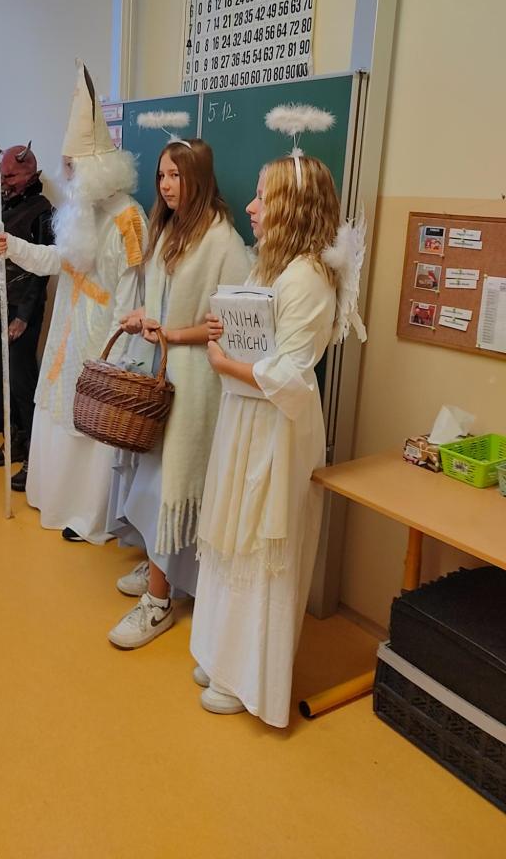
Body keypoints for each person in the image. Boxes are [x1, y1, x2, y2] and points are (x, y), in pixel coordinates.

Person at [191, 145, 366, 725]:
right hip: (247, 417)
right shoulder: (272, 267)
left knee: (262, 539)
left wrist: (225, 363)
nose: (251, 206)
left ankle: (249, 678)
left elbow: (290, 374)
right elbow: (255, 335)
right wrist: (222, 328)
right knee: (233, 531)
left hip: (275, 427)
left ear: (291, 206)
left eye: (263, 197)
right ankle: (221, 653)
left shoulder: (308, 277)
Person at [0, 60, 146, 542]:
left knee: (92, 422)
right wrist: (13, 247)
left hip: (101, 338)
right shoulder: (82, 211)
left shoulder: (128, 218)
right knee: (58, 410)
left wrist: (115, 355)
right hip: (68, 327)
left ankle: (88, 515)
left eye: (73, 166)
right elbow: (58, 260)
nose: (66, 173)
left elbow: (132, 293)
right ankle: (53, 498)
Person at [106, 137, 249, 649]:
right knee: (150, 478)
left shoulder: (224, 242)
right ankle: (158, 567)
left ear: (199, 178)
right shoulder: (169, 229)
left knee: (173, 484)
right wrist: (145, 319)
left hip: (194, 381)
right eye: (162, 175)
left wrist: (168, 331)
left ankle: (159, 602)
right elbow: (162, 301)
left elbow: (224, 326)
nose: (166, 185)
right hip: (160, 370)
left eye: (176, 175)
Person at [0, 144, 53, 492]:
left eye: (9, 176)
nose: (2, 182)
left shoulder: (43, 211)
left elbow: (41, 271)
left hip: (23, 307)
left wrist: (23, 317)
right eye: (0, 176)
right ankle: (14, 441)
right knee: (1, 375)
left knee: (22, 381)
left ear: (30, 173)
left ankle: (35, 457)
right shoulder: (1, 205)